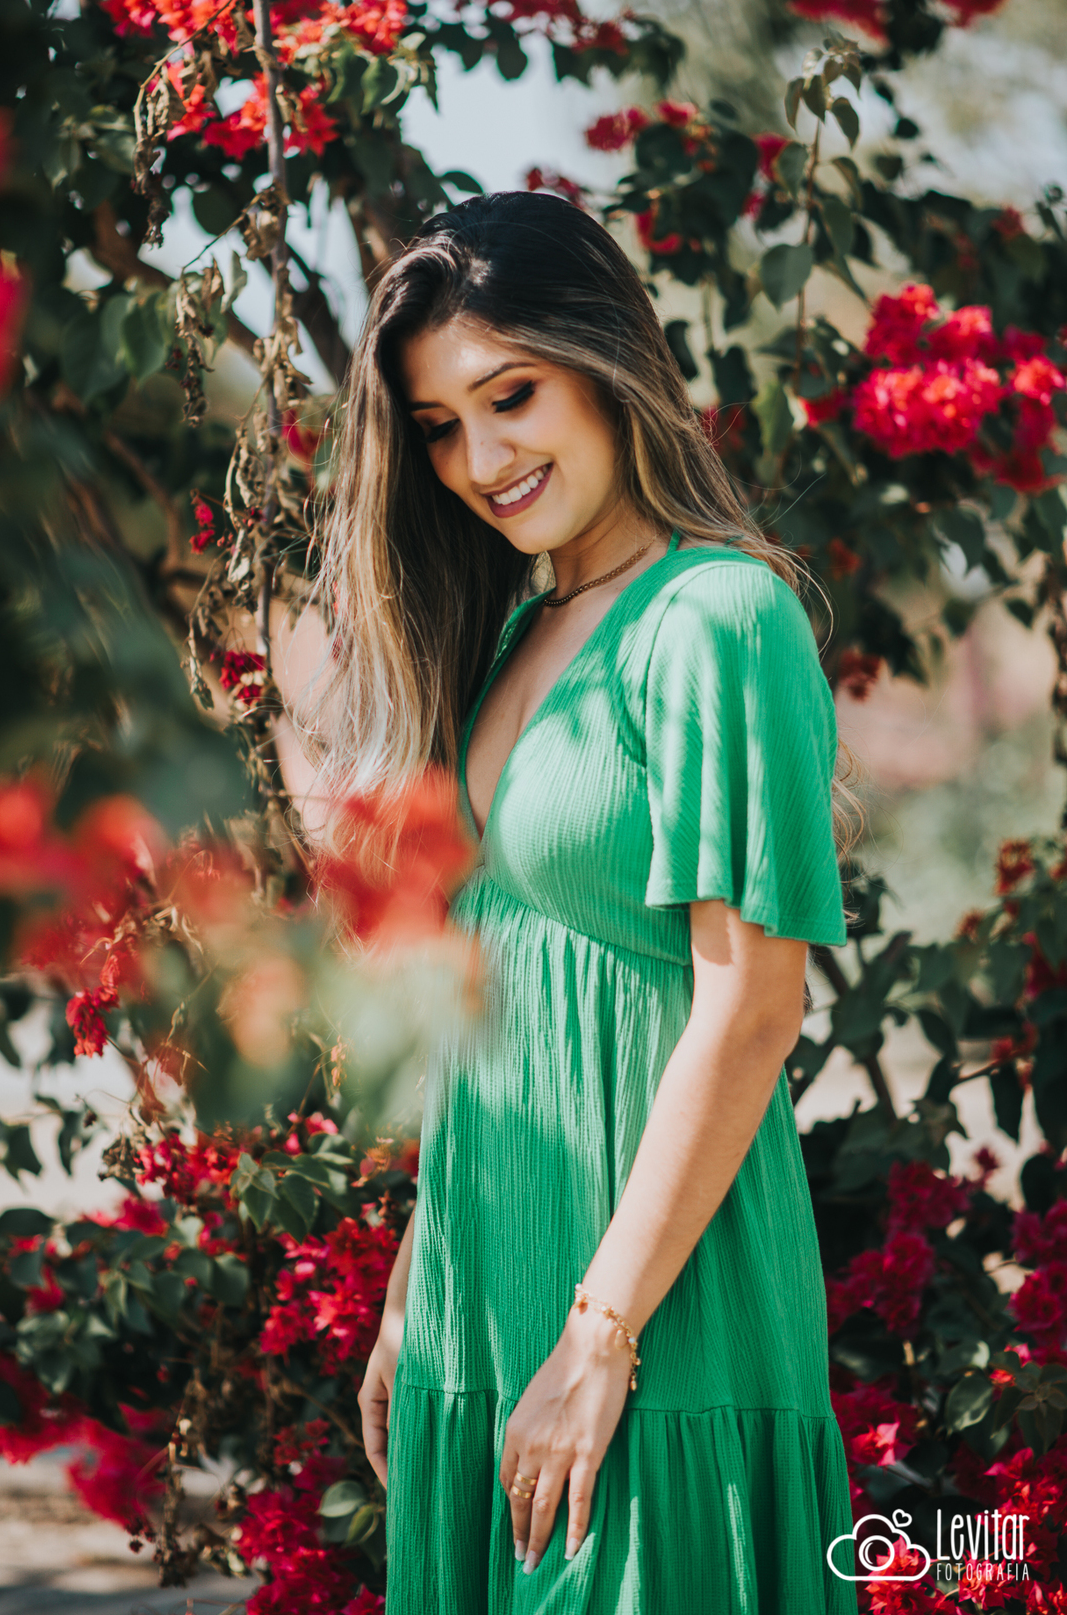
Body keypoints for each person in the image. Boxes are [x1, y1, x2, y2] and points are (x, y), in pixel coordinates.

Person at [303, 190, 858, 1613]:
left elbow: (750, 1003)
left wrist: (601, 1335)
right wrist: (423, 1276)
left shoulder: (718, 617)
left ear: (603, 357)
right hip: (493, 1299)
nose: (481, 459)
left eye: (511, 395)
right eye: (439, 425)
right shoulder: (508, 633)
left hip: (650, 1320)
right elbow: (501, 982)